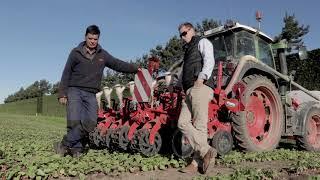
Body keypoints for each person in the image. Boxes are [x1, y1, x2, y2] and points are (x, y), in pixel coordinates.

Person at [54, 25, 139, 157]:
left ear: (98, 39)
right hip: (74, 90)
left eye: (95, 39)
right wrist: (62, 93)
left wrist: (136, 69)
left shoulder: (102, 54)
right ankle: (76, 148)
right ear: (85, 37)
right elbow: (66, 73)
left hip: (91, 93)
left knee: (91, 123)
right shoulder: (75, 52)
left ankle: (64, 144)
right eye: (90, 38)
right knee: (74, 120)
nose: (93, 41)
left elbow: (117, 64)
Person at [177, 22, 217, 174]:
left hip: (200, 86)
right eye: (180, 34)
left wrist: (202, 77)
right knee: (182, 123)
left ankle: (195, 164)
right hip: (189, 90)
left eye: (184, 33)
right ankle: (206, 150)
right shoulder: (187, 51)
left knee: (200, 125)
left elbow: (209, 60)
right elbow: (184, 71)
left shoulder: (202, 41)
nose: (182, 37)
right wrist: (176, 84)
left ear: (192, 30)